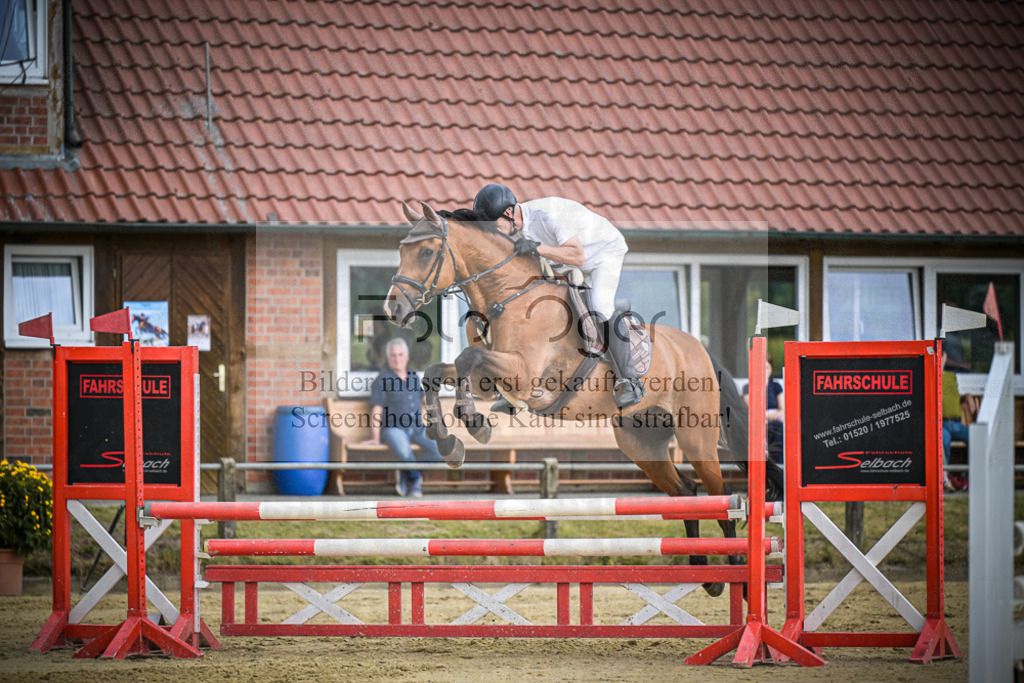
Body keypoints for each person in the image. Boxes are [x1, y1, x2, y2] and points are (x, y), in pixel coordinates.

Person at [472, 183, 645, 409]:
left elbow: (578, 256)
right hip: (562, 259)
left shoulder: (547, 215)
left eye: (495, 225)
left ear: (508, 213)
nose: (495, 232)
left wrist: (537, 248)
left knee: (600, 306)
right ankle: (517, 384)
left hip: (603, 252)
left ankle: (630, 381)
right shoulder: (512, 229)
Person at [361, 337, 442, 497]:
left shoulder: (413, 376)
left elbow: (424, 399)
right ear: (387, 358)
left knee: (440, 451)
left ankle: (406, 472)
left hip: (418, 428)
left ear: (407, 357)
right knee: (405, 453)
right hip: (393, 429)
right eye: (393, 355)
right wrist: (375, 438)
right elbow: (376, 409)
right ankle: (415, 483)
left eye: (400, 354)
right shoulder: (382, 379)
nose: (397, 359)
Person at [742, 353, 784, 464]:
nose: (763, 371)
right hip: (756, 424)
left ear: (771, 368)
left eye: (766, 367)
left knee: (779, 431)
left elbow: (782, 409)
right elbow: (751, 409)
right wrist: (770, 414)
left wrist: (766, 414)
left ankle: (780, 468)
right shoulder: (748, 387)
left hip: (773, 425)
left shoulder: (776, 387)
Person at [941, 350, 974, 492]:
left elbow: (953, 396)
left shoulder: (950, 377)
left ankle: (971, 477)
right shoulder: (929, 376)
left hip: (958, 424)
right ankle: (945, 480)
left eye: (941, 355)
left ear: (945, 357)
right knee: (942, 442)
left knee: (978, 437)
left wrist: (967, 396)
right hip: (942, 424)